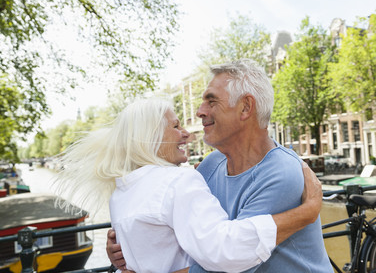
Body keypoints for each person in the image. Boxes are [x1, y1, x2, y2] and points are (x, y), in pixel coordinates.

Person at [108, 59, 333, 272]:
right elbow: (190, 233)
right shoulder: (210, 165)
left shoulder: (281, 173)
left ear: (245, 108)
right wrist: (132, 247)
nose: (200, 111)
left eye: (211, 100)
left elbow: (229, 263)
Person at [54, 97, 323, 273]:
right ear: (150, 136)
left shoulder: (122, 191)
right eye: (176, 126)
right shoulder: (179, 180)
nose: (187, 133)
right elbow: (226, 251)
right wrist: (308, 212)